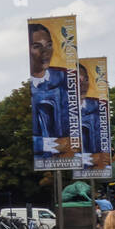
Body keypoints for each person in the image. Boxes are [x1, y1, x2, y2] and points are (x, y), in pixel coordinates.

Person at [28, 24, 71, 155]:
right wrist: (49, 144)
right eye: (37, 47)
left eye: (49, 45)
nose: (45, 52)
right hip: (44, 157)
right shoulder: (30, 90)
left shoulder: (64, 80)